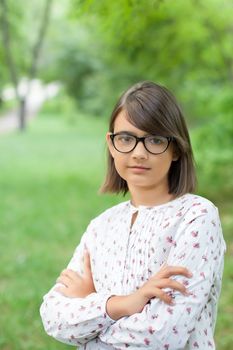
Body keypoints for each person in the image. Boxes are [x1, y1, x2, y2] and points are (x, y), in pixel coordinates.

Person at [40, 81, 226, 349]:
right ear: (112, 144)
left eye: (155, 140)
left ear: (176, 149)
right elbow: (53, 317)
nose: (139, 153)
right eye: (126, 138)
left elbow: (161, 335)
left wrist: (89, 309)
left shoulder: (195, 217)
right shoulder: (101, 227)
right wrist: (121, 304)